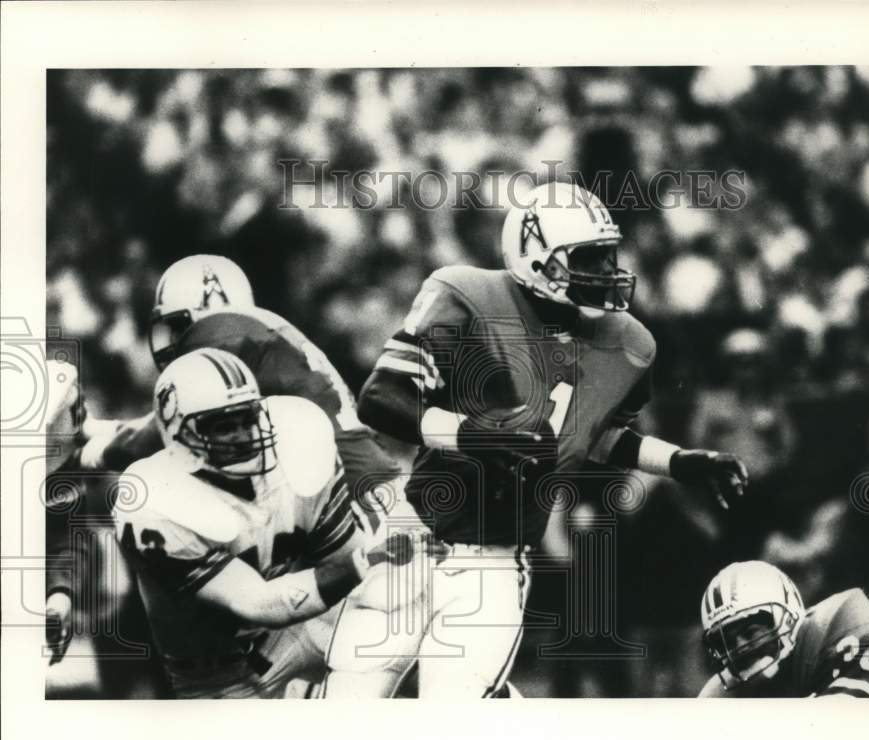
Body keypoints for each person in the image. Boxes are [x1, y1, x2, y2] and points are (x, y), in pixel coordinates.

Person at [330, 181, 749, 698]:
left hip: (494, 558)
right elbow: (381, 397)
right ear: (536, 259)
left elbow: (599, 437)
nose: (605, 272)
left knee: (449, 717)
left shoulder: (630, 344)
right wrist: (477, 439)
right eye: (588, 260)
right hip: (411, 533)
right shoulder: (467, 295)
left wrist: (679, 462)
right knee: (347, 703)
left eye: (607, 257)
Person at [113, 347, 435, 698]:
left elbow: (347, 561)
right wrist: (367, 560)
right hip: (215, 675)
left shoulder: (292, 453)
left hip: (299, 629)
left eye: (247, 418)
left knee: (394, 621)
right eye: (223, 426)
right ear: (178, 433)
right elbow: (261, 603)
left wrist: (402, 557)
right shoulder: (156, 501)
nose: (243, 434)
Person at [82, 254, 400, 499]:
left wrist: (88, 454)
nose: (176, 339)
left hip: (349, 496)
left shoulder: (220, 336)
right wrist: (95, 428)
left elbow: (167, 434)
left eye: (178, 327)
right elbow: (160, 423)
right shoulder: (254, 331)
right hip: (367, 482)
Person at [697, 560, 869, 698]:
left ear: (790, 613)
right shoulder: (723, 691)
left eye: (752, 630)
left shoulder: (847, 622)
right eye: (727, 642)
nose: (741, 646)